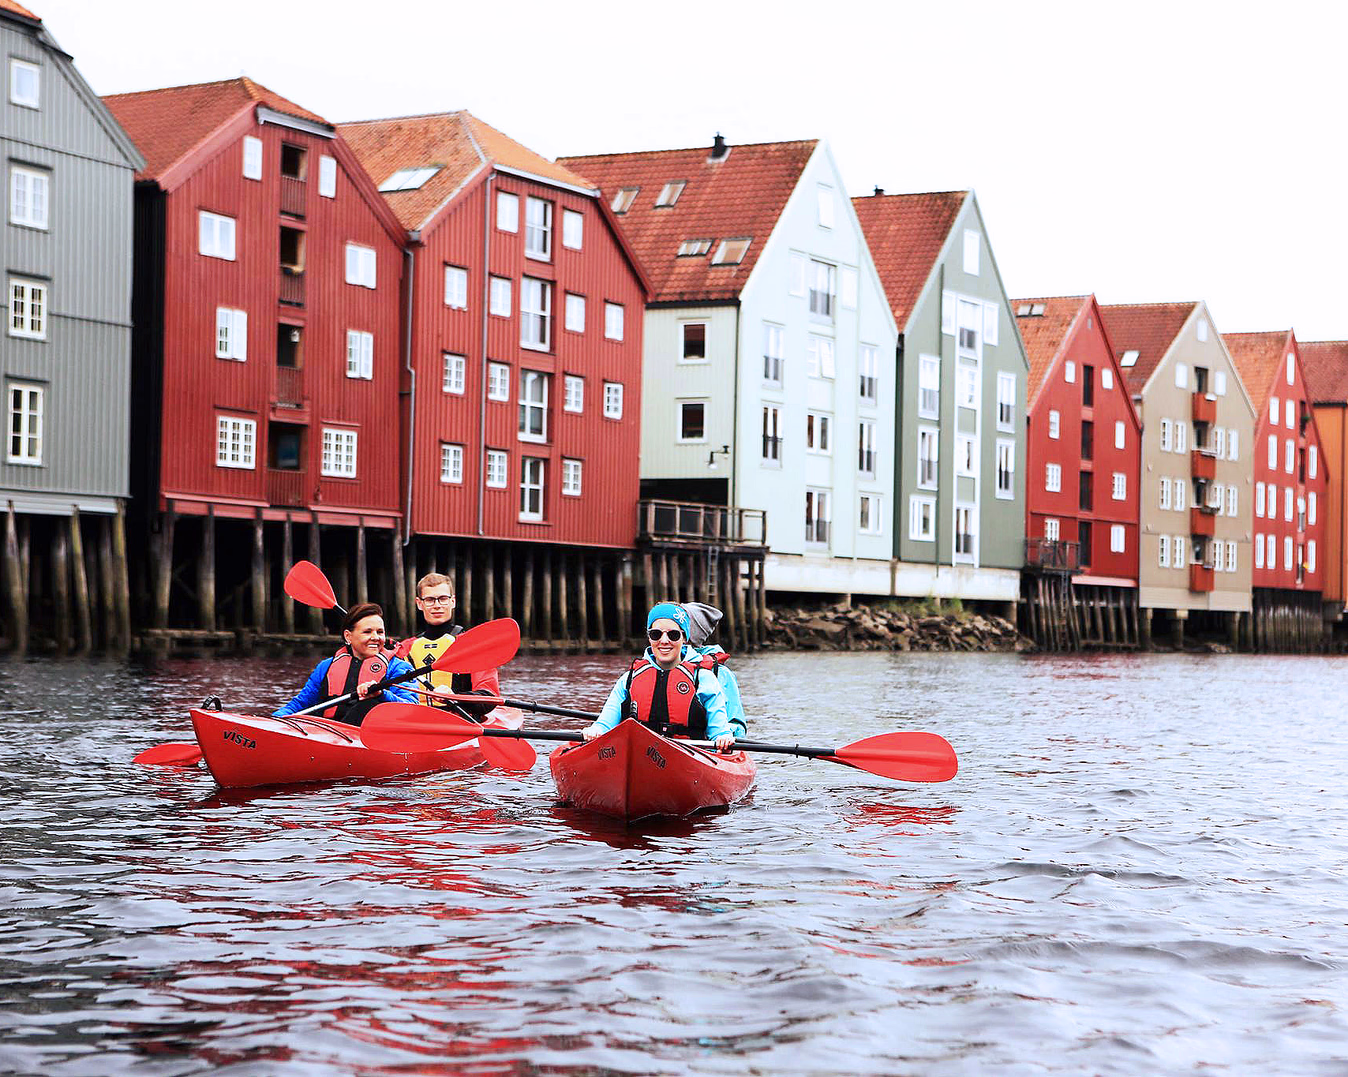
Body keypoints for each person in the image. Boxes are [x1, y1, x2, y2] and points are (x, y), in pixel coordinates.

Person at [582, 602, 736, 751]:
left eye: (673, 635)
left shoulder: (703, 678)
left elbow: (719, 729)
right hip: (639, 751)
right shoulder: (629, 678)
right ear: (649, 638)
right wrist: (596, 730)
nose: (664, 641)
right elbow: (605, 722)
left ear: (685, 638)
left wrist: (723, 737)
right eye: (656, 634)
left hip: (690, 754)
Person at [274, 603, 417, 725]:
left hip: (371, 736)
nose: (375, 638)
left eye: (380, 632)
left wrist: (381, 694)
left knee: (366, 705)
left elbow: (412, 709)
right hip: (327, 734)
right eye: (367, 632)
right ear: (348, 636)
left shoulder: (399, 668)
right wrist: (272, 722)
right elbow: (299, 705)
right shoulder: (326, 667)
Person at [398, 572, 501, 719]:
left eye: (443, 599)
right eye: (430, 600)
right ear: (419, 603)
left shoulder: (473, 645)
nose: (437, 605)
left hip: (460, 721)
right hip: (416, 721)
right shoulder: (404, 648)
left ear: (452, 601)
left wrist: (456, 697)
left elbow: (489, 697)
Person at [682, 601, 748, 739]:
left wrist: (723, 734)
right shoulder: (660, 666)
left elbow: (737, 724)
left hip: (705, 744)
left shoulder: (721, 674)